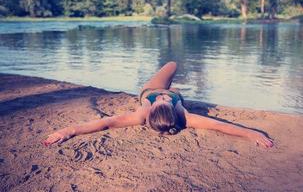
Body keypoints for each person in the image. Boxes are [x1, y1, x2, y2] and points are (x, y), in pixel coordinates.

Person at [43, 62, 273, 148]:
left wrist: (68, 131)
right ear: (174, 109)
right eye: (163, 101)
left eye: (162, 101)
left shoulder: (142, 112)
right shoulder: (184, 115)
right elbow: (220, 125)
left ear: (150, 110)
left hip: (150, 88)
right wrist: (250, 133)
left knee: (171, 65)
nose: (162, 98)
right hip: (176, 93)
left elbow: (106, 123)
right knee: (173, 65)